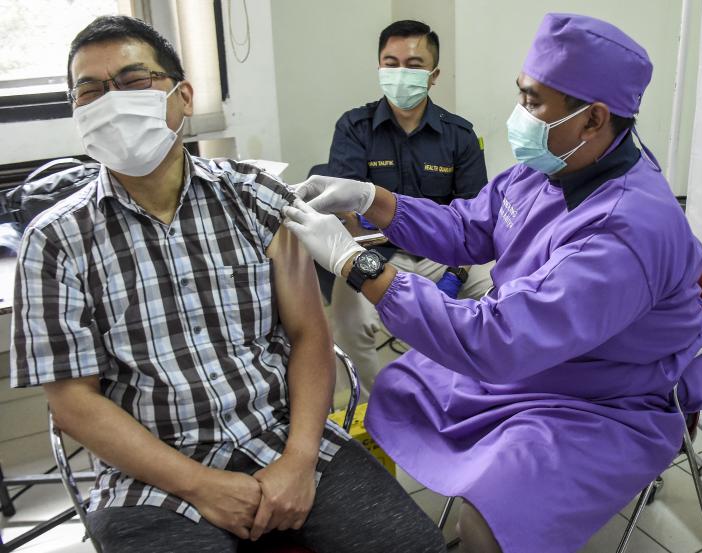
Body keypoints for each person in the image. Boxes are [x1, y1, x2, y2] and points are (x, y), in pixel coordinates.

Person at [282, 12, 702, 553]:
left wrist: (358, 264)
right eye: (522, 94)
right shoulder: (558, 163)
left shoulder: (628, 230)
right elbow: (471, 226)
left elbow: (499, 339)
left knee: (487, 524)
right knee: (403, 388)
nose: (520, 115)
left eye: (533, 102)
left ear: (593, 119)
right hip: (537, 361)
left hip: (612, 397)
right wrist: (373, 200)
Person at [10, 15, 444, 553]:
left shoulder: (252, 197)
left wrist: (299, 460)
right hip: (151, 478)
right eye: (89, 90)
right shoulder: (54, 240)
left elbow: (309, 334)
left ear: (184, 95)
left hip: (287, 440)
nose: (110, 101)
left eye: (131, 81)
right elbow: (73, 401)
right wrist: (200, 485)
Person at [319, 19, 492, 394]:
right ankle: (375, 406)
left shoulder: (458, 135)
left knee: (497, 290)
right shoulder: (354, 127)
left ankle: (473, 395)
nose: (401, 73)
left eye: (414, 65)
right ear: (379, 67)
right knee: (348, 321)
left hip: (444, 253)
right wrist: (371, 265)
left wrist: (455, 275)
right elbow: (347, 215)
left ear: (433, 75)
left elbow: (477, 220)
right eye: (390, 62)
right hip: (376, 251)